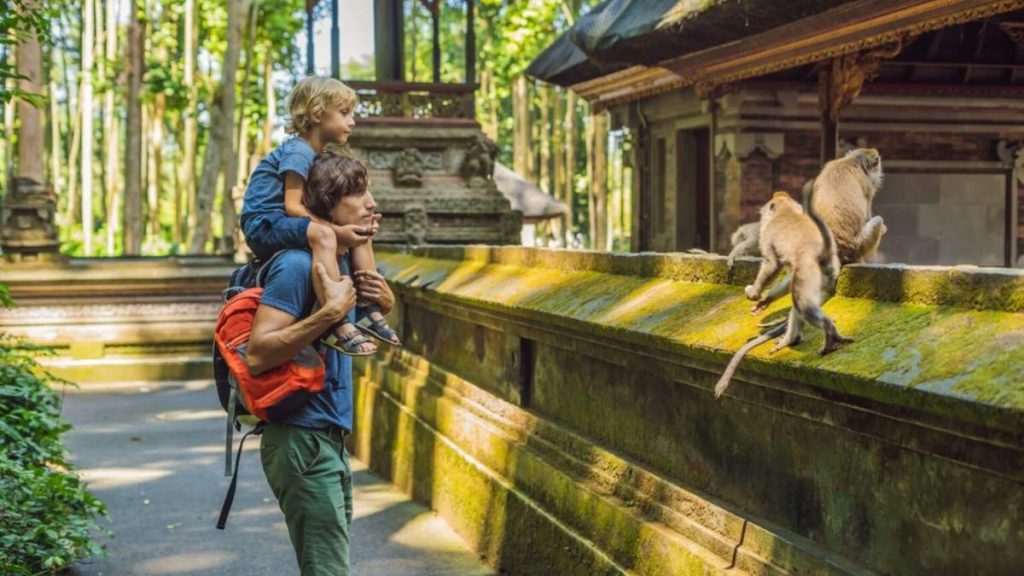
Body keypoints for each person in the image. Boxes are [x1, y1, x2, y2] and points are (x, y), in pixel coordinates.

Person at [245, 155, 394, 576]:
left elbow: (361, 331)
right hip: (301, 438)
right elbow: (258, 354)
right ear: (329, 205)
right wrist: (328, 316)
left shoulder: (341, 264)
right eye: (357, 194)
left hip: (326, 436)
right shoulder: (296, 266)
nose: (370, 203)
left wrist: (383, 303)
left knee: (327, 563)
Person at [240, 75, 400, 357]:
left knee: (359, 231)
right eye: (345, 113)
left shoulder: (317, 155)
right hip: (265, 224)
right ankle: (336, 319)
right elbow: (293, 206)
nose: (352, 121)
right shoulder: (299, 150)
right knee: (325, 233)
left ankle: (368, 307)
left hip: (285, 222)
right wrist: (336, 232)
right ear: (317, 113)